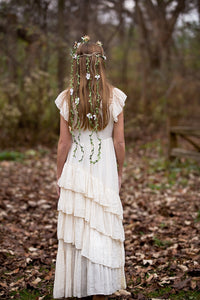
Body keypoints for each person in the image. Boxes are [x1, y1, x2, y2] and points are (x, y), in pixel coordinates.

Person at [53, 35, 127, 300]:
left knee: (82, 221)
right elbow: (119, 142)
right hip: (104, 163)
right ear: (101, 64)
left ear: (77, 64)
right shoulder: (114, 97)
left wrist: (60, 174)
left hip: (77, 163)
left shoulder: (66, 98)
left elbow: (64, 143)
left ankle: (82, 285)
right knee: (100, 223)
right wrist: (119, 170)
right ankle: (99, 288)